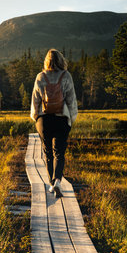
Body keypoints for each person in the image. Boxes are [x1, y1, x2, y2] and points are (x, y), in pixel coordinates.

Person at [30, 49, 78, 198]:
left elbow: (35, 101)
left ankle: (51, 184)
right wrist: (71, 119)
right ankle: (58, 181)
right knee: (59, 152)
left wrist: (36, 118)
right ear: (61, 60)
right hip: (61, 119)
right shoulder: (66, 76)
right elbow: (71, 101)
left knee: (48, 152)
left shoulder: (40, 77)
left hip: (44, 120)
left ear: (46, 61)